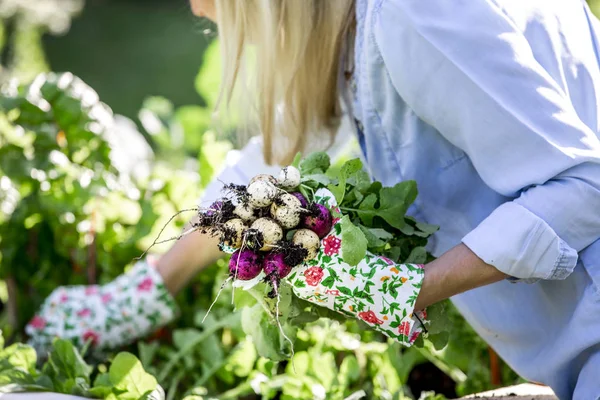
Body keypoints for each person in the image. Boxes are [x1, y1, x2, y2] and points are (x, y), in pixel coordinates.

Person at [27, 1, 600, 398]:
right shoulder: (359, 22)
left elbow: (585, 184)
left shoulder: (415, 15)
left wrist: (411, 290)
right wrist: (150, 286)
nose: (199, 9)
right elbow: (274, 158)